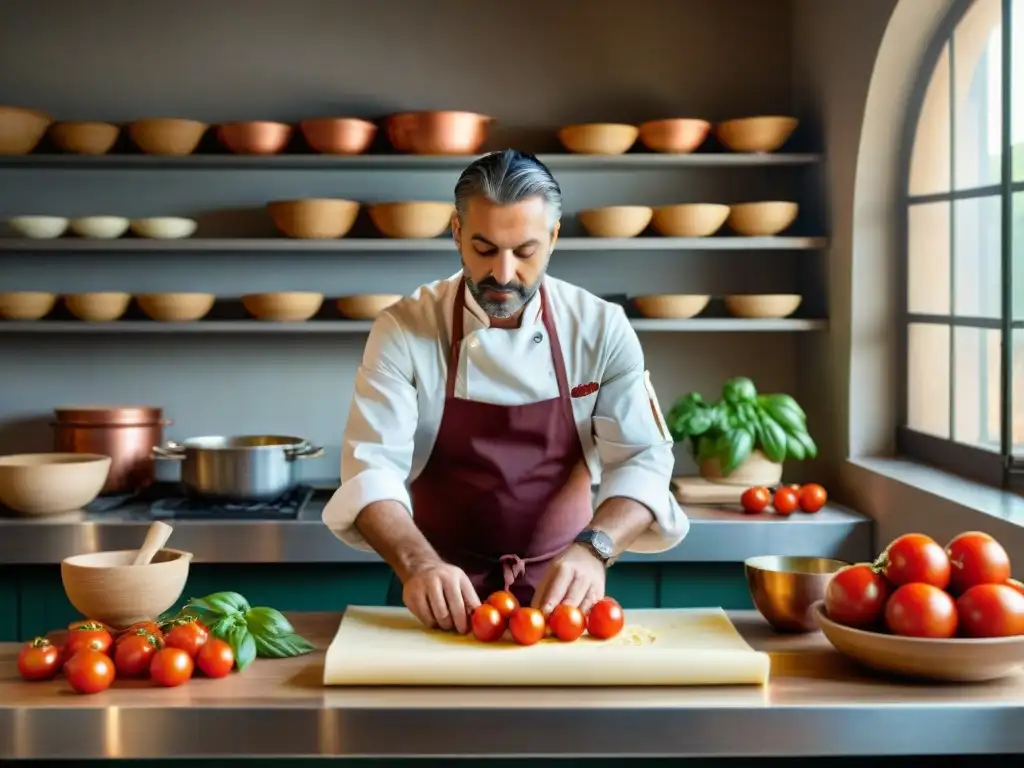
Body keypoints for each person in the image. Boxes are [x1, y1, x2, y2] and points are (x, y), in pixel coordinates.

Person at [323, 149, 689, 634]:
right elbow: (371, 468)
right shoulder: (404, 329)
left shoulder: (601, 329)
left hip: (565, 599)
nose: (502, 273)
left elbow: (644, 459)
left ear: (554, 238)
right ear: (456, 232)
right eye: (484, 248)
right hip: (433, 591)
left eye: (524, 251)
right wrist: (417, 565)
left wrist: (596, 548)